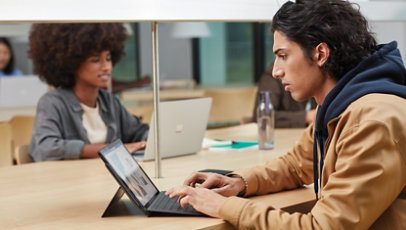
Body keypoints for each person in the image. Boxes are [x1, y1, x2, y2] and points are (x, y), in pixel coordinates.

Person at [166, 0, 406, 229]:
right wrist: (238, 183)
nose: (277, 71)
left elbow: (323, 227)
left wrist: (225, 207)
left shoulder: (370, 121)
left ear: (321, 54)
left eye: (283, 55)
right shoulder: (340, 106)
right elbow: (295, 165)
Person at [28, 23, 149, 161]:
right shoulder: (52, 103)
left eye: (108, 59)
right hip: (69, 180)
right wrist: (113, 150)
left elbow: (140, 131)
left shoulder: (109, 101)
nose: (107, 67)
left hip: (105, 179)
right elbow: (47, 148)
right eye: (96, 60)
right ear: (72, 63)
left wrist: (148, 140)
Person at [252, 62, 317, 128]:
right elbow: (264, 116)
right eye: (283, 56)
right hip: (281, 136)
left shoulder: (315, 73)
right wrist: (308, 116)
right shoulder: (272, 77)